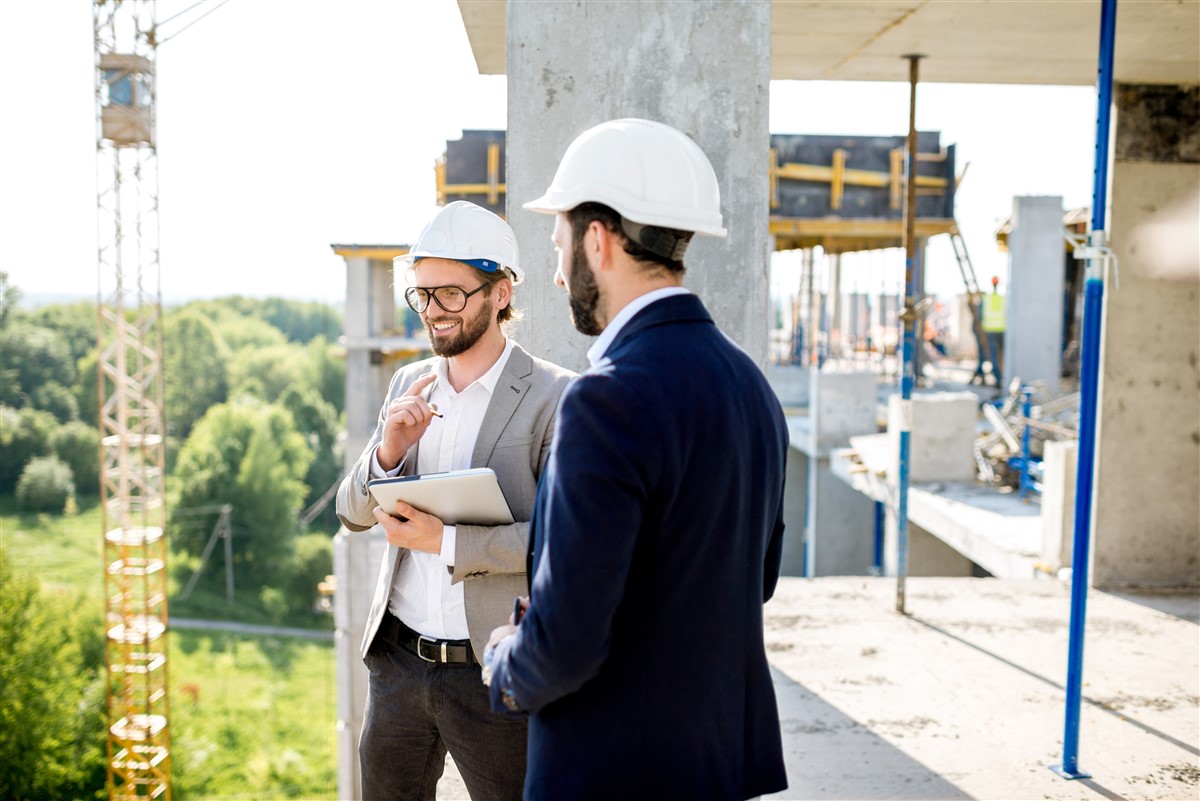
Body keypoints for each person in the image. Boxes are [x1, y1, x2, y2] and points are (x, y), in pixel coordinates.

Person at [483, 118, 790, 800]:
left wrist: (504, 658)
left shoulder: (604, 399)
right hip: (715, 766)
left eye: (559, 243)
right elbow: (752, 579)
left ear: (598, 240)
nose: (558, 273)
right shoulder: (751, 388)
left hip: (613, 773)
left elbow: (565, 644)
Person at [335, 200, 575, 801]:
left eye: (450, 294)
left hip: (492, 668)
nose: (433, 312)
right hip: (398, 662)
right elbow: (350, 511)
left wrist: (442, 541)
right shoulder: (406, 383)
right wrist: (387, 452)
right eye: (421, 295)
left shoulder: (557, 397)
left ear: (500, 292)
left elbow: (562, 543)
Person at [981, 274, 1006, 387]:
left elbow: (981, 314)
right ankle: (1005, 377)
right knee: (1003, 357)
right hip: (1002, 330)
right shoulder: (1004, 298)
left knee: (994, 356)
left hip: (991, 330)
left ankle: (999, 379)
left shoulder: (986, 298)